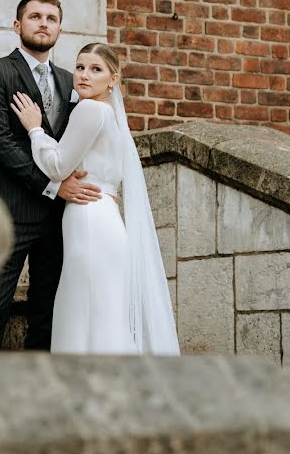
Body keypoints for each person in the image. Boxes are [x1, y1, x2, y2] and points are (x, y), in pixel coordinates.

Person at [10, 42, 180, 354]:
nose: (84, 75)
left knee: (81, 311)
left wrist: (35, 130)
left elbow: (59, 165)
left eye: (96, 69)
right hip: (107, 218)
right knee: (104, 313)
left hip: (87, 217)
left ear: (113, 79)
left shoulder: (89, 110)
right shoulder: (112, 117)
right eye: (80, 67)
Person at [0, 0, 102, 351]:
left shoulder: (69, 80)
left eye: (51, 18)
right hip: (10, 212)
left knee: (49, 313)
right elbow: (1, 144)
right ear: (18, 25)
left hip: (59, 219)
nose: (43, 23)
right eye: (35, 16)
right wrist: (53, 186)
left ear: (60, 28)